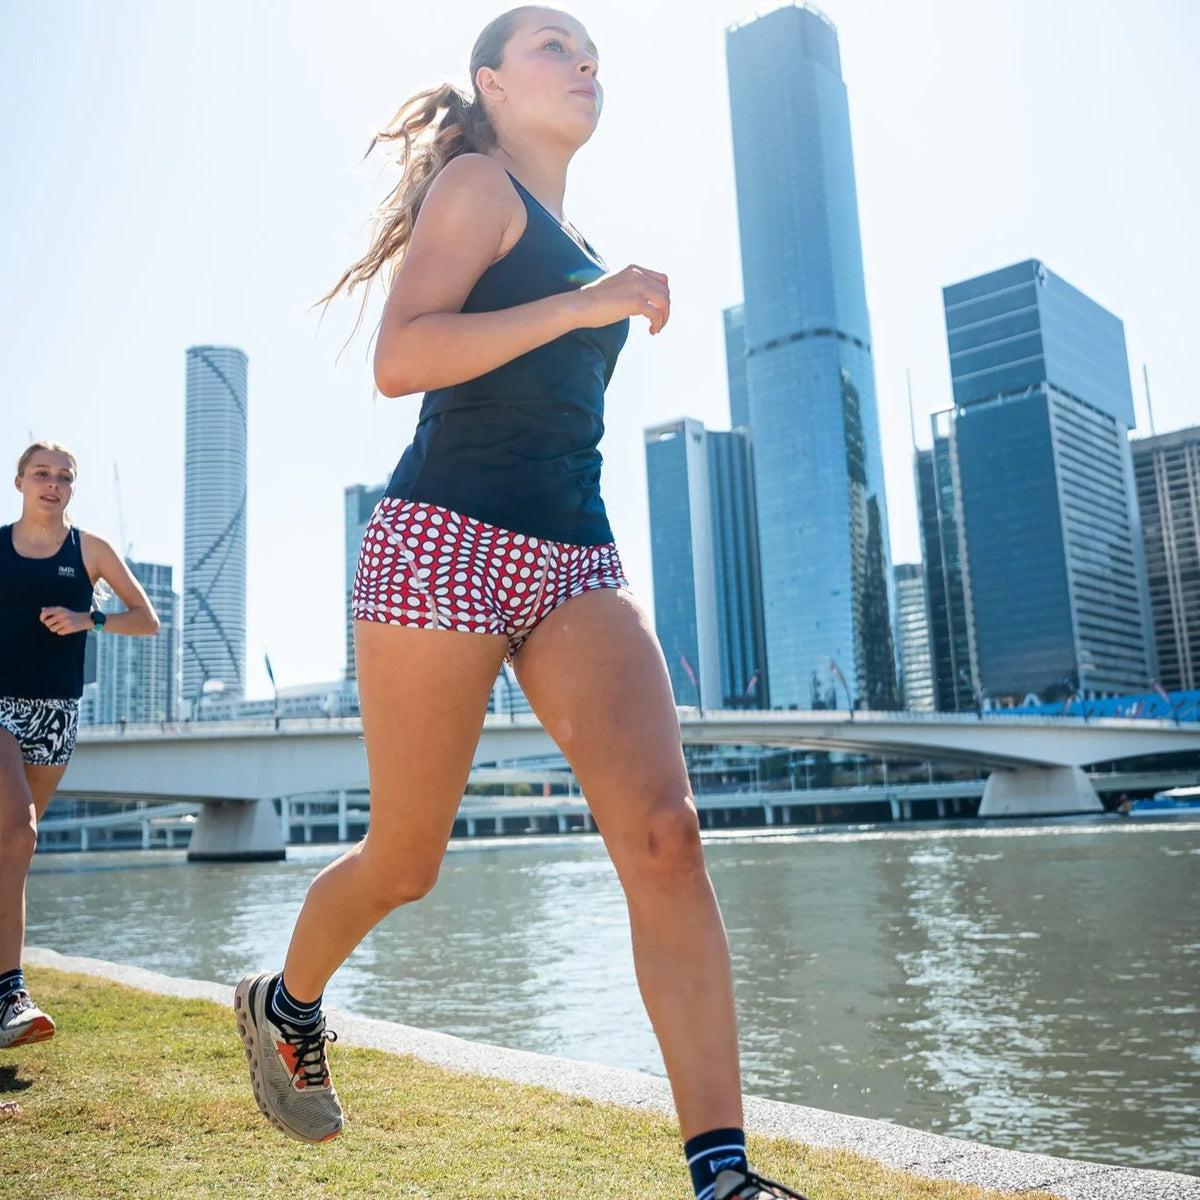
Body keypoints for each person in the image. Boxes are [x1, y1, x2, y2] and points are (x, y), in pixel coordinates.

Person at [234, 10, 807, 1198]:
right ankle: (285, 1003)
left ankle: (724, 1175)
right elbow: (403, 358)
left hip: (573, 558)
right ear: (490, 84)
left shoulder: (571, 229)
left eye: (592, 49)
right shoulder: (479, 185)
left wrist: (586, 291)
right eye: (554, 46)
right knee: (405, 863)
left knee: (666, 834)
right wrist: (581, 304)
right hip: (440, 541)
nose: (585, 60)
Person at [0, 441, 160, 1048]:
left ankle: (2, 997)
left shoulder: (88, 550)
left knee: (10, 854)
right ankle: (13, 992)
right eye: (41, 473)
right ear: (19, 481)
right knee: (20, 832)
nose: (53, 484)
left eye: (64, 477)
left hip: (56, 715)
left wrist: (88, 618)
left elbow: (146, 618)